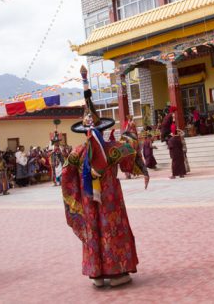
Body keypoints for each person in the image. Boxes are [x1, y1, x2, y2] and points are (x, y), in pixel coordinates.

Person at [61, 66, 149, 288]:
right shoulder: (112, 149)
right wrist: (131, 132)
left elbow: (64, 176)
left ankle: (97, 275)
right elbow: (130, 152)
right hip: (110, 200)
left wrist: (77, 194)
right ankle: (117, 272)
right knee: (112, 229)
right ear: (101, 128)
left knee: (94, 231)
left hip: (89, 200)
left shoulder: (76, 152)